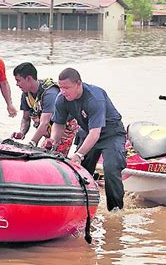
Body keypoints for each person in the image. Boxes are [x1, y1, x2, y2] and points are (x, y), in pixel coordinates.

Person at [42, 68, 126, 211]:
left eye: (67, 87)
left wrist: (79, 154)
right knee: (81, 170)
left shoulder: (94, 97)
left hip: (110, 133)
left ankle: (116, 210)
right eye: (60, 87)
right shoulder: (62, 98)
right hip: (87, 132)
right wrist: (53, 140)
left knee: (111, 168)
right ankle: (83, 206)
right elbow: (59, 123)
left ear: (78, 84)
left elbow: (96, 132)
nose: (63, 91)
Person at [11, 62, 78, 156]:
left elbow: (44, 123)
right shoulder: (26, 94)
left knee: (51, 155)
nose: (17, 84)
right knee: (42, 152)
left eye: (18, 80)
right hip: (47, 130)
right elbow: (26, 118)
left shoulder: (50, 94)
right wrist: (22, 132)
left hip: (64, 128)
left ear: (29, 79)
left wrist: (31, 144)